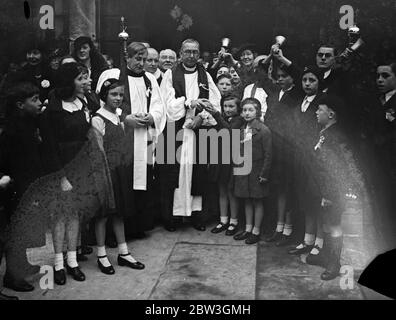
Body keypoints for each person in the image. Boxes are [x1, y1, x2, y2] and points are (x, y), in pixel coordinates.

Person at [43, 62, 110, 286]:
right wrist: (61, 177)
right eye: (82, 79)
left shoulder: (83, 102)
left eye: (87, 78)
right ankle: (59, 264)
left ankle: (72, 261)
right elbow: (50, 147)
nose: (87, 82)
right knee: (59, 216)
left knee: (74, 215)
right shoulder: (52, 108)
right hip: (61, 168)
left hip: (81, 166)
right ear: (69, 81)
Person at [96, 42, 166, 237]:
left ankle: (137, 227)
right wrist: (125, 118)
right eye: (138, 59)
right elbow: (104, 102)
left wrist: (151, 117)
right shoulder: (114, 76)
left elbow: (160, 106)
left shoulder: (150, 79)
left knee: (141, 180)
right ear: (127, 57)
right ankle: (117, 232)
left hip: (143, 137)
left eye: (144, 59)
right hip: (121, 137)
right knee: (122, 181)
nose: (141, 63)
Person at [160, 38, 221, 231]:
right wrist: (188, 103)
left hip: (199, 130)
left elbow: (215, 103)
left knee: (198, 173)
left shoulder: (206, 75)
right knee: (175, 174)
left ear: (199, 53)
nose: (192, 55)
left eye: (195, 52)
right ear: (181, 53)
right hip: (176, 130)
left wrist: (201, 118)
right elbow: (167, 104)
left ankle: (196, 216)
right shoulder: (171, 74)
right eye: (188, 51)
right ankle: (175, 217)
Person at [92, 79, 145, 274]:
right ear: (104, 95)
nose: (118, 98)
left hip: (120, 171)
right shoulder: (98, 119)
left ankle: (123, 252)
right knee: (103, 215)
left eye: (121, 95)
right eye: (113, 94)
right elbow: (97, 151)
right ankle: (101, 255)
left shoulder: (119, 117)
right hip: (105, 172)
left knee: (119, 211)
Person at [0, 82, 45, 293]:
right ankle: (12, 275)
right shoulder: (11, 130)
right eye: (34, 100)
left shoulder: (29, 123)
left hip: (29, 183)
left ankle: (23, 263)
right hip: (17, 187)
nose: (39, 103)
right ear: (20, 104)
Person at [311, 95, 361, 280]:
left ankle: (334, 263)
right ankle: (325, 257)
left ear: (331, 113)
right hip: (323, 187)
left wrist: (329, 194)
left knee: (334, 225)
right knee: (325, 221)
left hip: (333, 189)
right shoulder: (325, 131)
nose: (316, 112)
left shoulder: (336, 136)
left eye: (320, 110)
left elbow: (337, 168)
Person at [264, 65, 304, 247]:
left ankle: (288, 230)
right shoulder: (274, 95)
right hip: (275, 147)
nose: (280, 79)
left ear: (293, 79)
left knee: (289, 189)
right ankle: (279, 228)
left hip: (289, 149)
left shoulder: (296, 96)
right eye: (278, 76)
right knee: (279, 189)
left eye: (284, 76)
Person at [287, 66, 325, 257]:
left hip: (315, 157)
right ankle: (307, 239)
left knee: (317, 199)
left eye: (312, 80)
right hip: (299, 156)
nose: (308, 84)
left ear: (319, 83)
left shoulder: (322, 104)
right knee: (305, 198)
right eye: (305, 80)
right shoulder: (300, 103)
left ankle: (319, 242)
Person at [233, 98, 272, 244]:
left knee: (257, 201)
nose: (247, 113)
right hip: (244, 170)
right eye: (244, 110)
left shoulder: (263, 130)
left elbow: (269, 154)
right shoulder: (243, 129)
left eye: (251, 110)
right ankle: (248, 229)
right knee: (247, 200)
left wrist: (264, 174)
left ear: (258, 112)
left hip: (257, 171)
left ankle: (256, 230)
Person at [205, 95, 244, 235]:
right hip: (220, 159)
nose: (227, 109)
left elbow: (228, 131)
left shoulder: (239, 120)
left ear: (238, 108)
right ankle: (223, 220)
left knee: (231, 191)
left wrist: (216, 114)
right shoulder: (220, 118)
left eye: (231, 106)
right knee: (221, 190)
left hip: (232, 161)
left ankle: (234, 221)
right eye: (225, 106)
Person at [242, 55, 273, 121]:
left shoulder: (276, 88)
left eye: (261, 68)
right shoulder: (248, 88)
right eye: (255, 68)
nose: (257, 71)